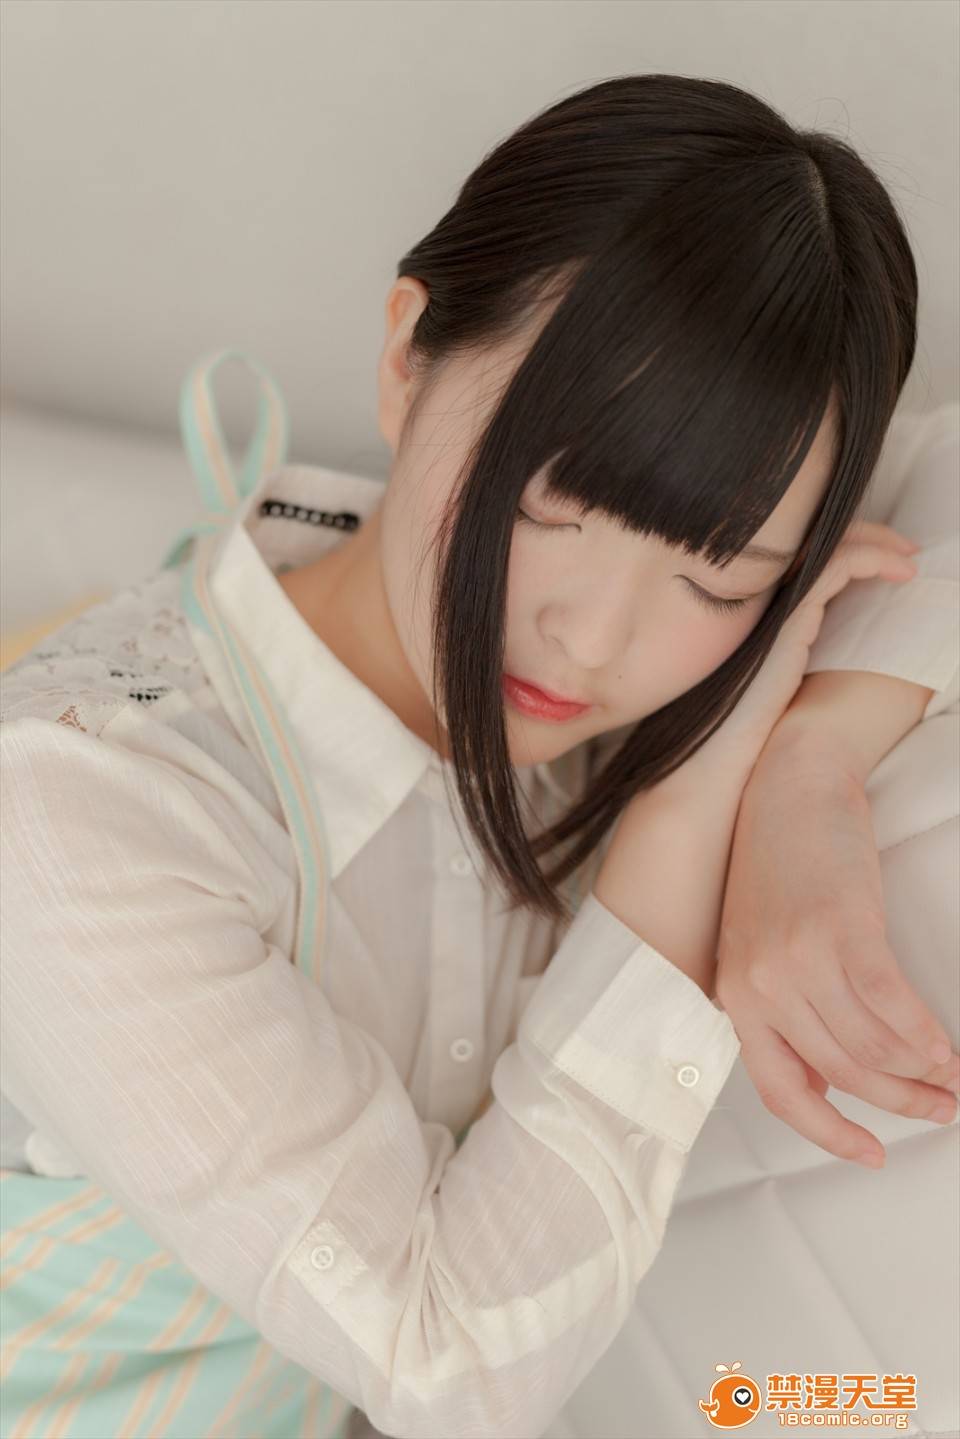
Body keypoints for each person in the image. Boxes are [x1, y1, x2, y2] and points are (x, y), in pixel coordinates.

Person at [1, 73, 957, 1439]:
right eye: (554, 504)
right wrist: (688, 814)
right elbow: (447, 1368)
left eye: (722, 577)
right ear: (407, 356)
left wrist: (812, 767)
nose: (593, 640)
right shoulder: (80, 810)